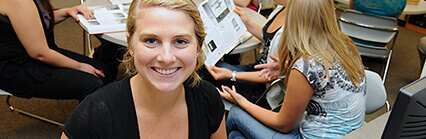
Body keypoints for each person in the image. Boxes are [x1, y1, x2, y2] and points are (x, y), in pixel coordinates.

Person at [61, 0, 226, 138]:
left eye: (180, 41)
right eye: (151, 40)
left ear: (198, 47)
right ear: (130, 44)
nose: (166, 58)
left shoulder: (208, 99)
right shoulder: (94, 115)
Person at [219, 0, 367, 138]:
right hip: (353, 133)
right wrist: (287, 71)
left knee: (236, 114)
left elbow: (284, 124)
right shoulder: (346, 45)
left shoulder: (306, 65)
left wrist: (241, 101)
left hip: (315, 135)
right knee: (236, 136)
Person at [0, 0, 113, 101]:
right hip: (17, 67)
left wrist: (66, 11)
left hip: (35, 55)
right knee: (92, 84)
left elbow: (33, 20)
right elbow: (39, 53)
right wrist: (80, 66)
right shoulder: (18, 2)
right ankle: (82, 123)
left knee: (105, 71)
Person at [204, 0, 287, 106]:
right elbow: (270, 39)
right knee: (209, 65)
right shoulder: (282, 8)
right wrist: (247, 23)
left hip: (263, 90)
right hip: (256, 69)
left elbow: (272, 75)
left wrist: (233, 75)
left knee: (204, 70)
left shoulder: (294, 28)